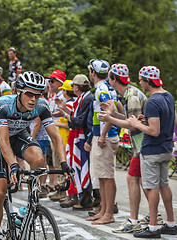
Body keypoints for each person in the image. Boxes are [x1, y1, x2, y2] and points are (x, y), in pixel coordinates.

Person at [0, 71, 74, 240]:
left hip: (19, 134)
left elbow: (55, 137)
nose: (34, 99)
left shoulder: (42, 106)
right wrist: (13, 165)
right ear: (19, 91)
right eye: (29, 94)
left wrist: (63, 163)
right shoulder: (2, 105)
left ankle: (28, 207)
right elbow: (3, 140)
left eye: (38, 94)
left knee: (39, 159)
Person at [97, 64, 150, 233]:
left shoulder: (132, 97)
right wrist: (113, 114)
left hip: (142, 146)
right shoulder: (129, 93)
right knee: (139, 180)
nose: (108, 81)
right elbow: (130, 119)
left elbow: (133, 126)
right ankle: (152, 215)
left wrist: (109, 118)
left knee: (133, 178)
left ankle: (136, 219)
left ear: (113, 79)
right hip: (141, 146)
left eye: (109, 78)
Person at [127, 66, 177, 238]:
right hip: (166, 149)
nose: (140, 82)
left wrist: (137, 124)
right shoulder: (168, 96)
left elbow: (153, 131)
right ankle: (171, 224)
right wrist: (146, 119)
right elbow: (174, 121)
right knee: (164, 185)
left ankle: (153, 227)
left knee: (152, 187)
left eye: (141, 79)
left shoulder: (152, 101)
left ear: (148, 81)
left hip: (152, 151)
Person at [85, 59, 120, 225]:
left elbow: (110, 112)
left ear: (93, 72)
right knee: (103, 177)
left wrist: (102, 135)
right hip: (105, 135)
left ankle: (108, 213)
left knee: (107, 177)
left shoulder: (101, 89)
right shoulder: (106, 87)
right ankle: (104, 211)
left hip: (105, 136)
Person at [54, 74, 94, 210]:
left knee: (82, 168)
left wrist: (64, 115)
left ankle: (85, 198)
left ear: (77, 87)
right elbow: (77, 115)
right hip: (78, 137)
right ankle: (80, 196)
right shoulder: (83, 98)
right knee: (77, 167)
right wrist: (64, 109)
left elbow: (79, 121)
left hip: (82, 137)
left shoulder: (87, 98)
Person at [47, 70, 67, 202]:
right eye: (49, 81)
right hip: (54, 135)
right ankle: (60, 188)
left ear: (60, 82)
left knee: (61, 163)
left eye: (52, 81)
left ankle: (63, 190)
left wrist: (55, 121)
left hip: (61, 134)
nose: (50, 83)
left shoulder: (63, 97)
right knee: (55, 162)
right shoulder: (54, 96)